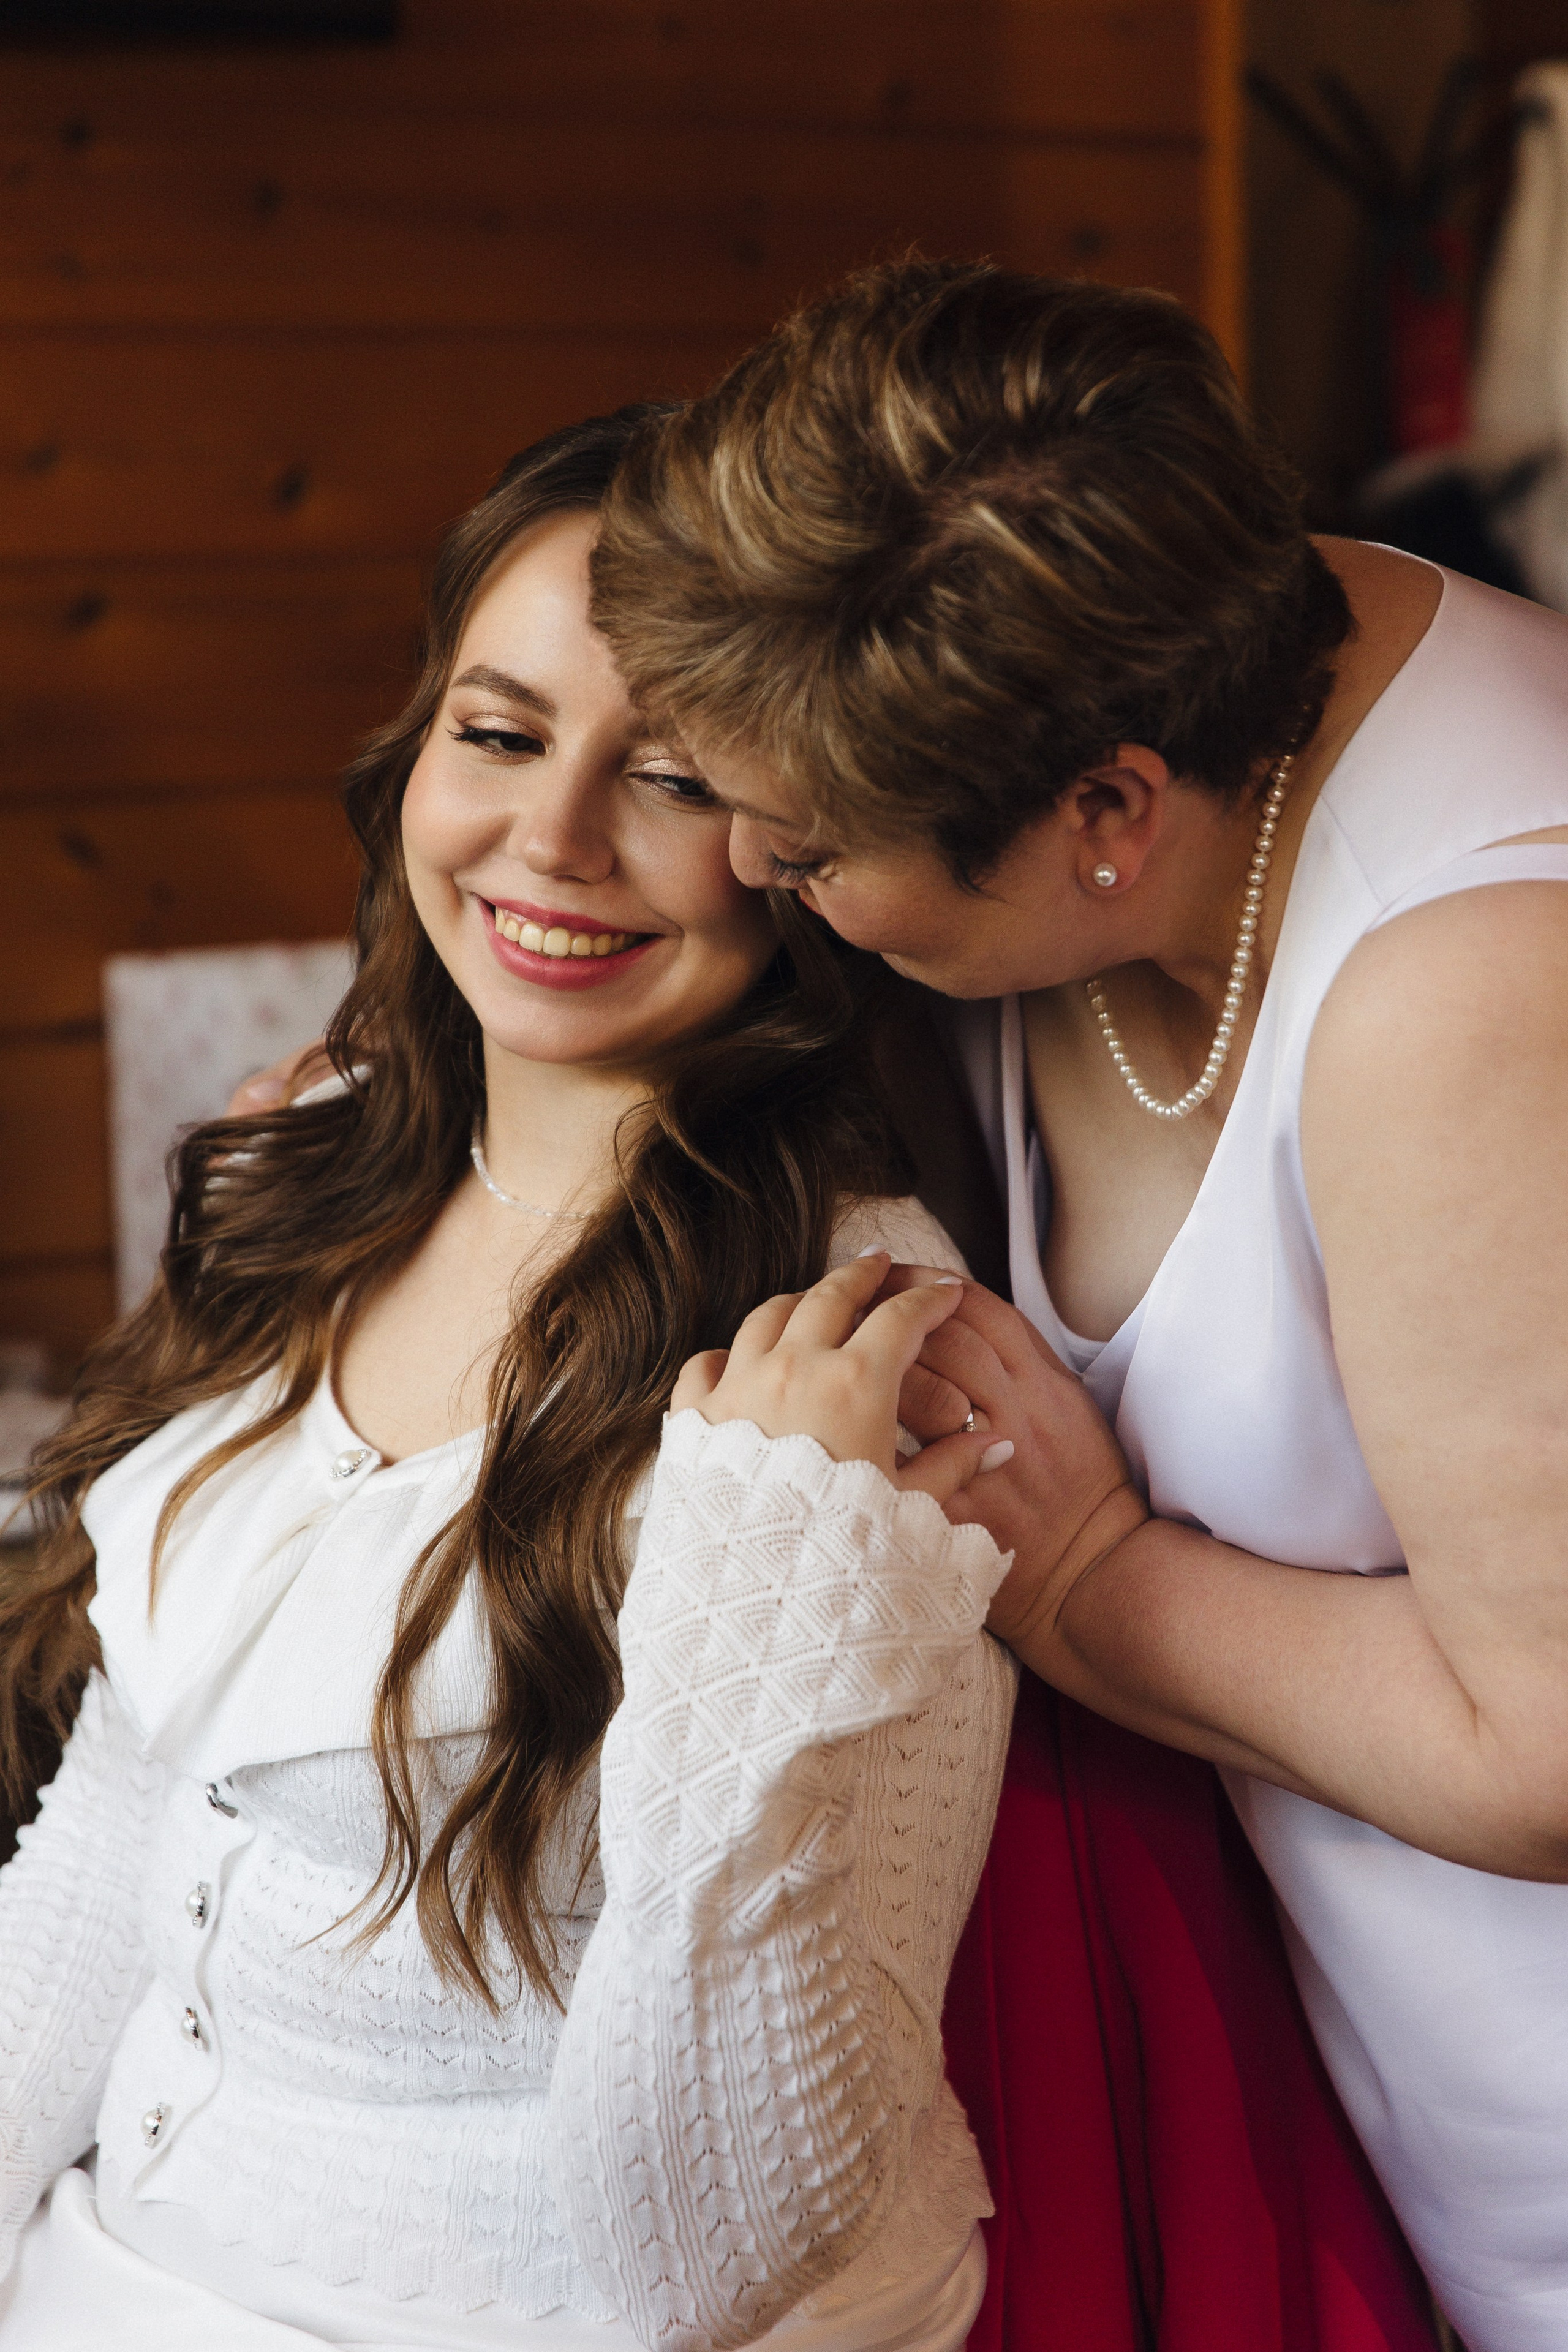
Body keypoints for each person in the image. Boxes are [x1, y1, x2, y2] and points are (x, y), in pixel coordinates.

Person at [585, 261, 1568, 2352]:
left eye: (808, 842)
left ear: (1107, 813)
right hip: (1378, 2091)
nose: (746, 863)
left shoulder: (1476, 995)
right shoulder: (1139, 672)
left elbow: (1555, 1747)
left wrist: (1091, 1572)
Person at [0, 410, 1023, 2352]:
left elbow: (718, 2249)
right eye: (498, 733)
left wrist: (778, 1590)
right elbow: (113, 1839)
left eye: (672, 775)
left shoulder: (860, 1359)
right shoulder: (316, 1173)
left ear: (808, 835)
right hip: (112, 2274)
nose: (553, 841)